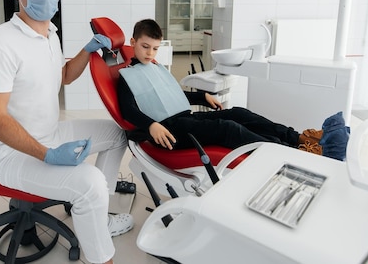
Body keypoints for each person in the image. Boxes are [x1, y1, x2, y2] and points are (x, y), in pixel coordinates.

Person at [0, 0, 133, 264]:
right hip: (12, 155)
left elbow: (63, 76)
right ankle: (100, 255)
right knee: (90, 183)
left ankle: (97, 218)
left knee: (117, 134)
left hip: (50, 133)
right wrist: (47, 155)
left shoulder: (49, 34)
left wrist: (86, 51)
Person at [117, 19, 350, 160]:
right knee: (227, 129)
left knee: (239, 113)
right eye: (145, 46)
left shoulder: (155, 68)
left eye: (155, 48)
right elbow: (128, 110)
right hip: (167, 133)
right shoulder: (126, 76)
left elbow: (172, 95)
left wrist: (202, 96)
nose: (150, 53)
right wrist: (151, 125)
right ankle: (292, 154)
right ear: (133, 41)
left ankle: (299, 138)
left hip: (183, 120)